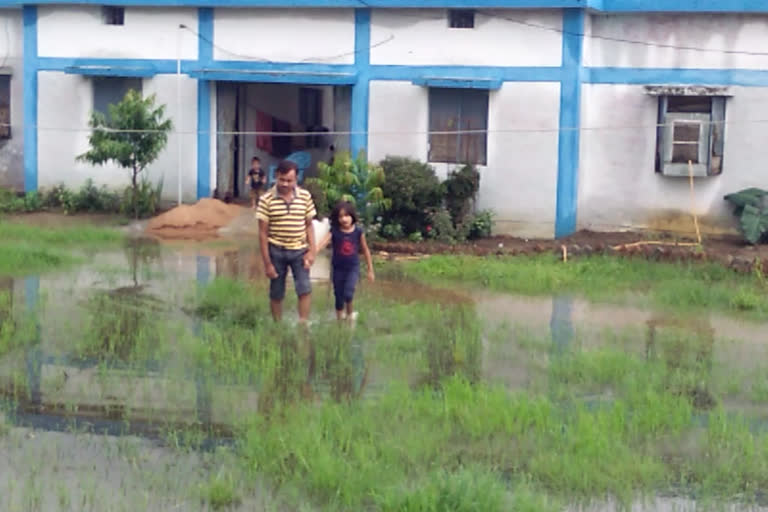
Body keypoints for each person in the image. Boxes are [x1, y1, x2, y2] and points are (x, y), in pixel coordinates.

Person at [256, 160, 317, 323]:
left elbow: (309, 226)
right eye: (281, 179)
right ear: (276, 176)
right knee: (276, 291)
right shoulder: (266, 199)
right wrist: (267, 263)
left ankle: (303, 323)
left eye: (289, 180)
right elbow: (262, 233)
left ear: (297, 179)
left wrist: (312, 251)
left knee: (304, 289)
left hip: (300, 251)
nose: (285, 184)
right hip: (276, 251)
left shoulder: (305, 196)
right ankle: (277, 325)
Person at [318, 200, 374, 321]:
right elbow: (322, 243)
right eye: (340, 216)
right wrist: (312, 253)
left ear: (352, 216)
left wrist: (370, 270)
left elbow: (366, 250)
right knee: (338, 297)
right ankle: (339, 323)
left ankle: (349, 316)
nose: (344, 219)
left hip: (352, 268)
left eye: (346, 215)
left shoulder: (358, 232)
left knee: (348, 294)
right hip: (337, 268)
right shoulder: (334, 231)